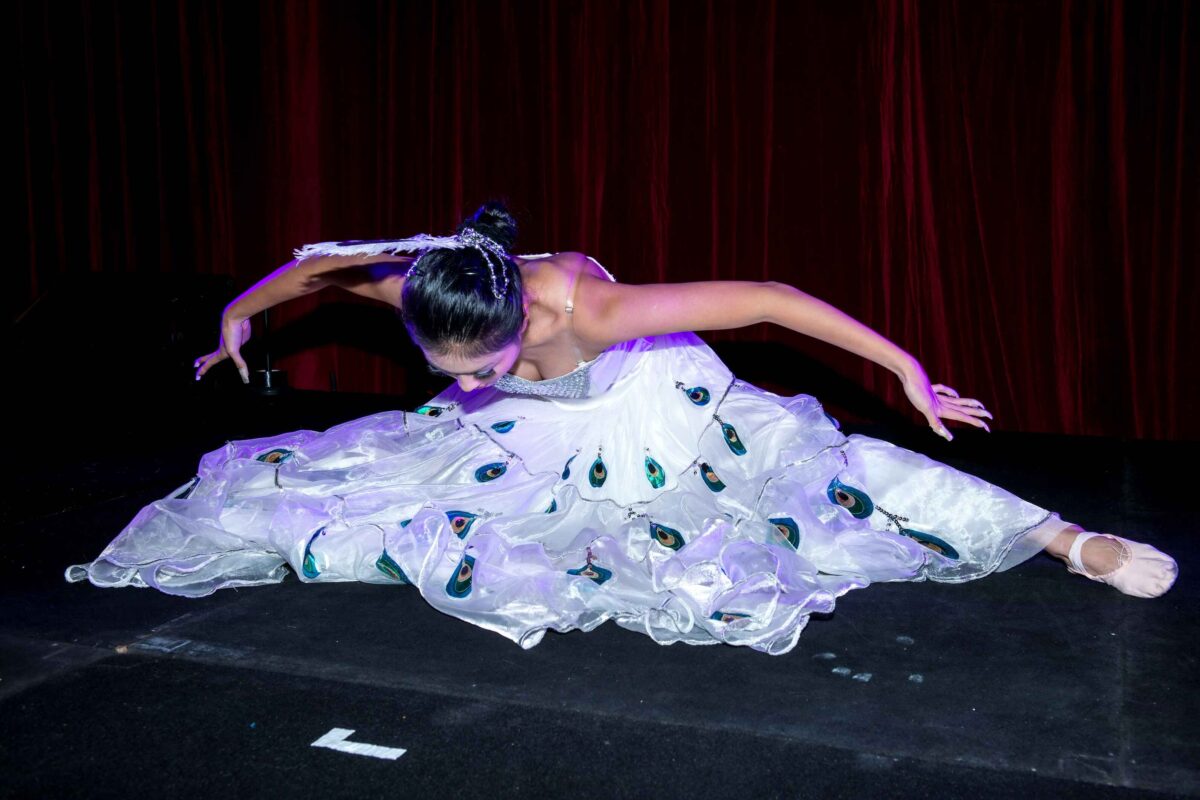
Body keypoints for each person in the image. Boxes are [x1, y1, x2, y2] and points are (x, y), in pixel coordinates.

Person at [64, 202, 1178, 655]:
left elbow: (771, 299)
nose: (469, 378)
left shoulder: (594, 310)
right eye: (451, 370)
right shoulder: (427, 292)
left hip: (659, 412)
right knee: (352, 500)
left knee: (828, 475)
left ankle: (1063, 537)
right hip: (541, 437)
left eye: (483, 362)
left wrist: (908, 370)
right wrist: (236, 316)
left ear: (525, 318)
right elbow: (318, 268)